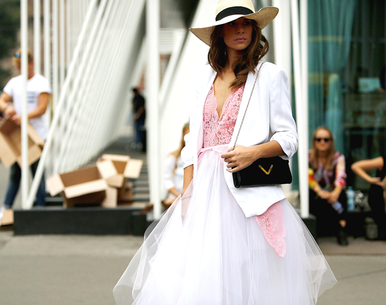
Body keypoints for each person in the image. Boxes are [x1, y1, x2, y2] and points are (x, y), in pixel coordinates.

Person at [114, 1, 336, 304]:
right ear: (219, 33)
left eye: (246, 23)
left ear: (255, 29)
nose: (240, 29)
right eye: (232, 24)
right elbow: (193, 143)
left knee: (248, 279)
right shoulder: (203, 77)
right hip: (203, 193)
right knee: (199, 277)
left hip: (245, 192)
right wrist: (187, 194)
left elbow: (289, 137)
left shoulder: (269, 76)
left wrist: (253, 153)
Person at [0, 49, 51, 225]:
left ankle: (40, 210)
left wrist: (25, 116)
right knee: (15, 173)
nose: (20, 70)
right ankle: (5, 209)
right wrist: (7, 108)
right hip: (19, 135)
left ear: (31, 64)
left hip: (37, 135)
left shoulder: (41, 83)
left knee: (37, 173)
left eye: (22, 65)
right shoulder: (14, 83)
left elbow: (42, 107)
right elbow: (1, 100)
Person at [351, 145, 386, 241]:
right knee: (376, 200)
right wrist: (370, 179)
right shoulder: (383, 161)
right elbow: (355, 166)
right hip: (381, 197)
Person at [308, 126, 349, 245]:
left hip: (332, 191)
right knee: (309, 196)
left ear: (331, 141)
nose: (322, 142)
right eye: (318, 139)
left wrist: (335, 193)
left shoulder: (338, 157)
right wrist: (319, 191)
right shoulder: (308, 157)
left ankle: (342, 229)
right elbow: (309, 177)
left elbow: (341, 176)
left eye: (326, 139)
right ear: (314, 141)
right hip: (316, 192)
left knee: (342, 194)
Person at [162, 123, 189, 208]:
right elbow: (167, 178)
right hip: (176, 196)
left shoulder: (201, 158)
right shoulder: (174, 157)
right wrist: (176, 194)